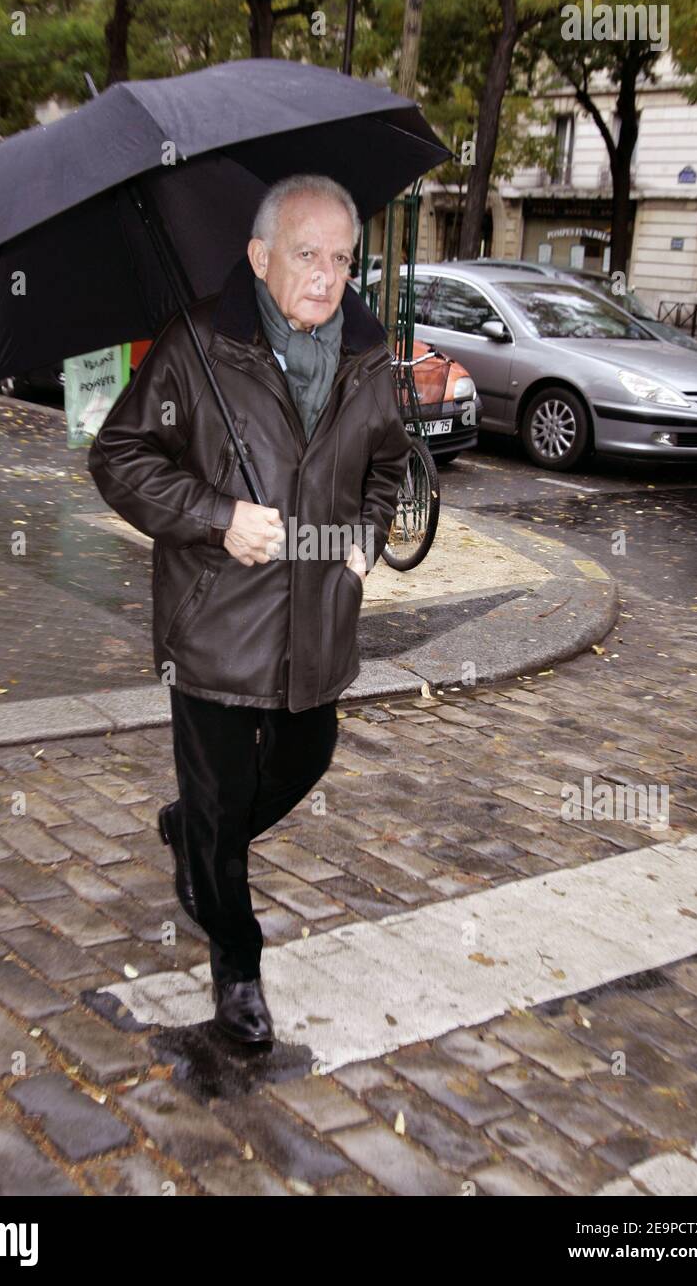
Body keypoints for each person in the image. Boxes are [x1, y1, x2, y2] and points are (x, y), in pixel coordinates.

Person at [88, 173, 411, 1044]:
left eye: (342, 258)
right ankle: (237, 967)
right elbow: (118, 456)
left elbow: (387, 468)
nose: (327, 275)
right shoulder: (198, 344)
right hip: (215, 627)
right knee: (226, 805)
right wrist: (217, 516)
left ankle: (187, 828)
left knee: (307, 756)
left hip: (318, 627)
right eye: (307, 254)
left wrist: (365, 537)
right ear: (261, 257)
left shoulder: (366, 355)